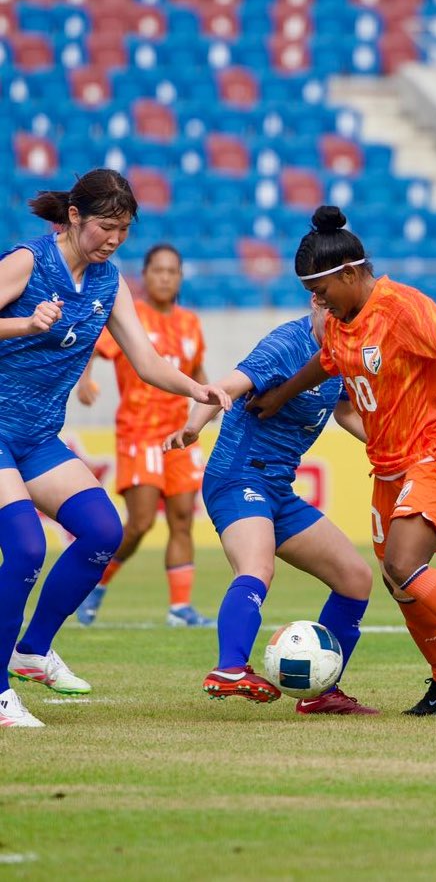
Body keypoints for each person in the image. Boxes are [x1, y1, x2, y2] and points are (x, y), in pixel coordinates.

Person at [247, 206, 436, 716]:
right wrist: (280, 396)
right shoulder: (339, 323)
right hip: (389, 467)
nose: (316, 299)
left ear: (350, 272)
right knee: (399, 582)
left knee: (403, 564)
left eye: (321, 288)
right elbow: (323, 365)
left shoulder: (402, 306)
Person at [0, 169, 231, 729]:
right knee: (28, 549)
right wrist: (26, 323)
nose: (113, 240)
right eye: (106, 227)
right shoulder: (29, 262)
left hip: (36, 438)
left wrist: (197, 388)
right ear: (74, 216)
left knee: (105, 532)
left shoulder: (109, 281)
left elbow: (147, 363)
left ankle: (33, 649)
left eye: (124, 230)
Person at [163, 296, 378, 715]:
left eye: (351, 314)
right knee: (258, 567)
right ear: (316, 300)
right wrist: (192, 427)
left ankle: (322, 694)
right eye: (336, 311)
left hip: (277, 488)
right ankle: (229, 669)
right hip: (238, 476)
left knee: (355, 578)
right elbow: (223, 388)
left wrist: (390, 448)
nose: (343, 320)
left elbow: (346, 411)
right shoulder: (286, 344)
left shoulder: (343, 351)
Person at [74, 244, 214, 628]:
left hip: (179, 435)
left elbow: (197, 371)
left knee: (182, 517)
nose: (165, 277)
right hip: (139, 431)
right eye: (158, 270)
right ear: (146, 275)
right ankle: (95, 586)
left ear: (180, 277)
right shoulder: (131, 317)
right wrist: (84, 380)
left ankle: (180, 609)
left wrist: (213, 400)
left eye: (172, 271)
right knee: (139, 522)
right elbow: (93, 344)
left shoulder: (190, 323)